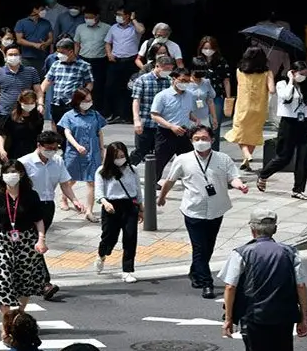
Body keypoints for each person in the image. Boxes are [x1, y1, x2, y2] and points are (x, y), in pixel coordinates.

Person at [219, 210, 307, 351]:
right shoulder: (290, 252)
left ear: (252, 230)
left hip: (255, 317)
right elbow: (301, 285)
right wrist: (304, 318)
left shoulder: (241, 253)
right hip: (284, 315)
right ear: (275, 229)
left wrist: (228, 318)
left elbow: (230, 286)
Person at [157, 125, 248, 299]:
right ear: (191, 141)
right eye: (197, 139)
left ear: (212, 140)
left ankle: (196, 272)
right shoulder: (183, 160)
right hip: (193, 210)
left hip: (217, 209)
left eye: (205, 138)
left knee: (208, 247)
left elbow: (233, 177)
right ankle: (207, 283)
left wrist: (240, 185)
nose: (201, 142)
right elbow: (170, 180)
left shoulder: (223, 159)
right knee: (199, 247)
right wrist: (162, 197)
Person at [19, 131, 85, 300]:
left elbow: (65, 184)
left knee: (33, 244)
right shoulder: (25, 163)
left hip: (48, 206)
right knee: (36, 242)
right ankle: (45, 283)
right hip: (28, 207)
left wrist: (75, 200)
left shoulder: (57, 161)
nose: (52, 151)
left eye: (55, 148)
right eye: (48, 148)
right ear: (39, 146)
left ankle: (32, 280)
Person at [0, 162, 48, 337]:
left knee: (24, 280)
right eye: (8, 172)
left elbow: (38, 220)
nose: (11, 175)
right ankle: (6, 323)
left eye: (15, 172)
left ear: (22, 175)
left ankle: (18, 317)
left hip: (26, 240)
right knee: (3, 280)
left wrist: (41, 239)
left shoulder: (31, 196)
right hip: (3, 240)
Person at [257, 61, 307, 200]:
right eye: (301, 74)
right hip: (289, 123)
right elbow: (286, 96)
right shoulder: (282, 84)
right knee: (284, 156)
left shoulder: (305, 86)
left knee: (303, 157)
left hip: (303, 123)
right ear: (293, 72)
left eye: (305, 74)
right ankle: (264, 174)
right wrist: (290, 80)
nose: (303, 77)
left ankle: (298, 189)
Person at [93, 142, 143, 283]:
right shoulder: (102, 171)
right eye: (117, 156)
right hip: (111, 206)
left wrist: (141, 208)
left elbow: (138, 189)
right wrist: (105, 202)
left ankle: (127, 270)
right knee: (109, 237)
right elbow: (99, 192)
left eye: (122, 156)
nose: (120, 159)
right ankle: (102, 254)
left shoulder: (132, 170)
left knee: (130, 237)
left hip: (129, 205)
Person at [58, 89, 106, 222]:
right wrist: (77, 146)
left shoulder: (95, 115)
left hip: (93, 152)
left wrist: (102, 149)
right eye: (85, 101)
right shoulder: (69, 116)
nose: (88, 103)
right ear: (77, 101)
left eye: (90, 101)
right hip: (74, 153)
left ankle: (89, 211)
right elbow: (67, 133)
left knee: (92, 181)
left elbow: (99, 132)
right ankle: (64, 197)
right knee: (71, 179)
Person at [225, 47, 275, 171]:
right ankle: (246, 160)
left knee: (239, 132)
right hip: (259, 109)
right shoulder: (267, 73)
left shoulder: (239, 71)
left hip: (243, 107)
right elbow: (272, 90)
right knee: (253, 134)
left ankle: (247, 154)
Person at [150, 67, 200, 182]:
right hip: (166, 133)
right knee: (159, 161)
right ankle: (152, 183)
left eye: (187, 81)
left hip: (184, 132)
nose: (185, 84)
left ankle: (194, 181)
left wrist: (195, 119)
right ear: (174, 79)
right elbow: (155, 115)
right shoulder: (162, 96)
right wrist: (171, 126)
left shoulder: (190, 95)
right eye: (182, 80)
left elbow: (188, 112)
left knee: (191, 159)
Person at [128, 55, 174, 166]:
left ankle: (154, 179)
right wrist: (136, 120)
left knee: (160, 153)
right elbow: (136, 101)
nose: (168, 72)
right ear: (157, 66)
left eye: (170, 69)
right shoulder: (142, 80)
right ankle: (126, 171)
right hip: (146, 122)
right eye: (165, 69)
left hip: (162, 123)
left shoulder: (170, 81)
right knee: (140, 151)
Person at [0, 45, 44, 133]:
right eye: (10, 55)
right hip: (5, 113)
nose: (13, 57)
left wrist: (40, 104)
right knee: (4, 140)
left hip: (26, 112)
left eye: (16, 54)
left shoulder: (31, 71)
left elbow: (38, 90)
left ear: (20, 56)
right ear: (5, 57)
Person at [42, 38, 94, 130]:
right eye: (58, 52)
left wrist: (83, 96)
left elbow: (89, 84)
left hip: (73, 103)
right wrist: (39, 97)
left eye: (62, 52)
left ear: (70, 51)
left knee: (72, 128)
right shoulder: (56, 64)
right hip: (57, 102)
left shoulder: (84, 66)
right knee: (57, 127)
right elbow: (47, 81)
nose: (59, 55)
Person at [103, 8, 145, 123]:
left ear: (127, 16)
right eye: (117, 14)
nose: (117, 16)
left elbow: (141, 31)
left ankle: (128, 116)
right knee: (110, 87)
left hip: (131, 61)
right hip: (115, 61)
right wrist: (109, 54)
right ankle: (111, 114)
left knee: (130, 89)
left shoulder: (135, 26)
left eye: (120, 14)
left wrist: (133, 19)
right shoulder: (113, 27)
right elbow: (107, 43)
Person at [195, 36, 233, 150]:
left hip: (216, 96)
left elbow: (226, 80)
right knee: (198, 123)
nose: (207, 50)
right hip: (199, 96)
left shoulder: (221, 61)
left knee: (215, 124)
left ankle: (214, 149)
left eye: (210, 48)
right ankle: (199, 147)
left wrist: (228, 97)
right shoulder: (197, 61)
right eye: (205, 48)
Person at [74, 8, 111, 116]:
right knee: (82, 86)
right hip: (83, 59)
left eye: (90, 17)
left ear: (97, 16)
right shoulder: (80, 27)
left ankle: (97, 110)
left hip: (99, 61)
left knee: (98, 86)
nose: (88, 19)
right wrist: (75, 58)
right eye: (86, 17)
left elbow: (109, 43)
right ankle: (80, 108)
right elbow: (77, 43)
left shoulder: (107, 28)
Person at [0, 90, 45, 163]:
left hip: (31, 152)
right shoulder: (11, 117)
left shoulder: (38, 117)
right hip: (13, 152)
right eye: (26, 103)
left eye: (32, 103)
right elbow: (2, 135)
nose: (29, 105)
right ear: (20, 102)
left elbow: (39, 136)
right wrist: (1, 150)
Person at [14, 1, 54, 77]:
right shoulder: (21, 22)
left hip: (43, 58)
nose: (44, 11)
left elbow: (51, 38)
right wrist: (34, 45)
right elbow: (19, 40)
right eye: (42, 9)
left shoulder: (46, 23)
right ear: (35, 10)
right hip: (27, 58)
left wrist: (45, 44)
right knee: (27, 81)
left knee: (42, 81)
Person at [189, 57, 220, 131]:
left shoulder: (206, 82)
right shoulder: (185, 83)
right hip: (189, 119)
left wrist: (214, 118)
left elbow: (210, 101)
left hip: (204, 118)